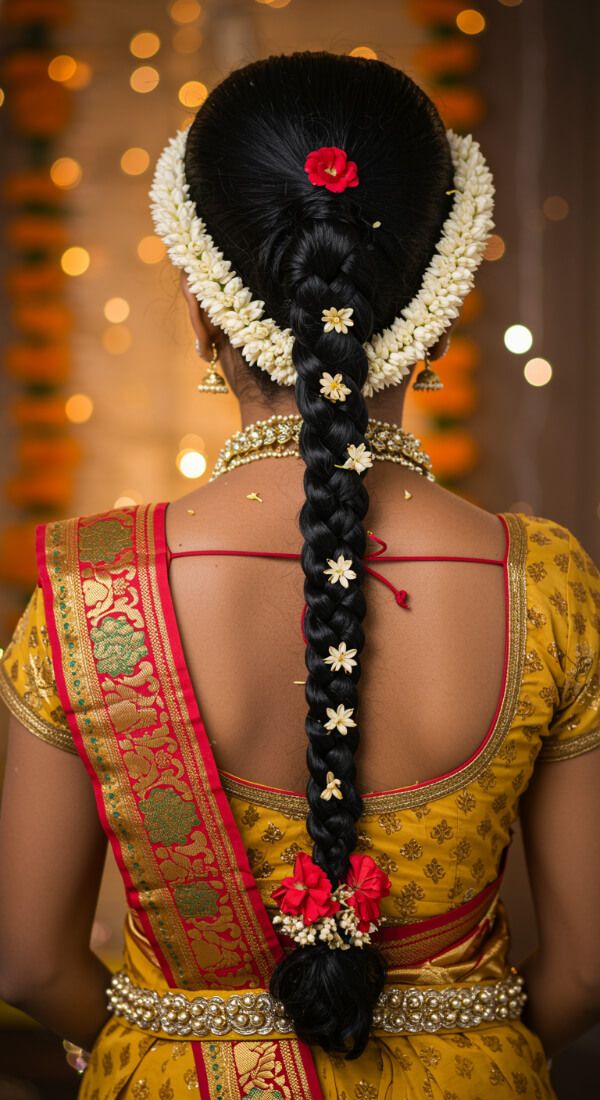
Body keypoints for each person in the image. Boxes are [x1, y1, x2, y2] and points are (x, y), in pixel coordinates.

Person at [0, 51, 598, 1100]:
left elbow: (27, 960)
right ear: (438, 307)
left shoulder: (90, 593)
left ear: (200, 310)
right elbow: (589, 966)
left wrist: (181, 1045)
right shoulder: (543, 583)